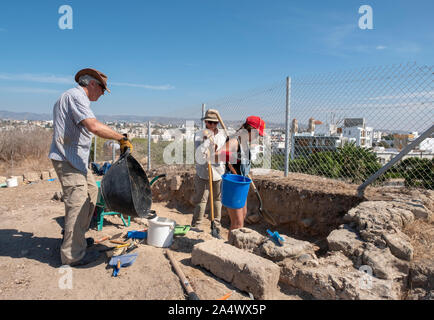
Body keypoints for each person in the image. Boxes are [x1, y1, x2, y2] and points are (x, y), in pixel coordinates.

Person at [48, 68, 133, 267]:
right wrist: (121, 137)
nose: (102, 94)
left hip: (76, 161)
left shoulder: (77, 98)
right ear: (93, 84)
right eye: (102, 90)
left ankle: (75, 239)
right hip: (67, 159)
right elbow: (93, 126)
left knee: (92, 193)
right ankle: (72, 255)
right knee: (77, 204)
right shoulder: (76, 96)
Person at [220, 116, 266, 234]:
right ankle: (232, 248)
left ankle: (234, 245)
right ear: (249, 130)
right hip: (232, 184)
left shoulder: (244, 142)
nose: (257, 137)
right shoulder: (234, 141)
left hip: (241, 184)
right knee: (237, 222)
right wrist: (236, 157)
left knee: (243, 215)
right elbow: (217, 154)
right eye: (257, 134)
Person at [191, 109, 226, 237]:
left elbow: (224, 154)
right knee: (201, 199)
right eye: (209, 122)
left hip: (218, 172)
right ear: (205, 122)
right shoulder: (199, 135)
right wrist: (206, 143)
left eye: (214, 123)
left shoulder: (222, 136)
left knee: (217, 200)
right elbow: (199, 153)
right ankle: (196, 226)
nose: (212, 125)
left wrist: (216, 149)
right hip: (203, 172)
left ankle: (216, 227)